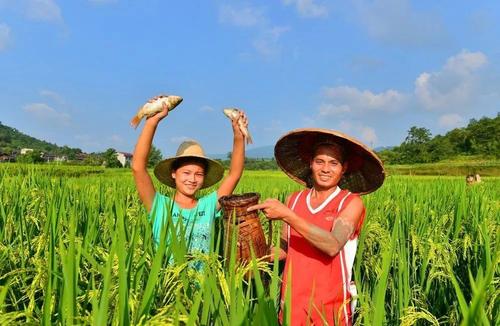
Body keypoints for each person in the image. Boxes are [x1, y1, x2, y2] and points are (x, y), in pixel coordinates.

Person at [248, 128, 385, 326]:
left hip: (330, 307)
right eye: (319, 161)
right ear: (311, 163)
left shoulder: (349, 203)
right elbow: (285, 250)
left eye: (333, 163)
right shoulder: (293, 200)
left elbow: (333, 245)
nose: (325, 169)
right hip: (292, 304)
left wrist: (287, 215)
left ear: (344, 167)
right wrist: (257, 255)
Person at [132, 95, 247, 260]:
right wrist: (152, 122)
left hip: (203, 285)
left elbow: (234, 174)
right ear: (173, 173)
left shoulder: (208, 206)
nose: (192, 179)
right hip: (167, 284)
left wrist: (238, 135)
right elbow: (138, 168)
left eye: (198, 174)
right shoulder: (159, 206)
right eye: (186, 173)